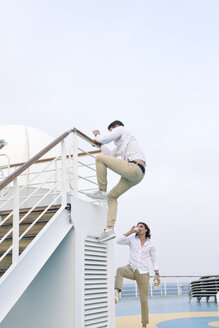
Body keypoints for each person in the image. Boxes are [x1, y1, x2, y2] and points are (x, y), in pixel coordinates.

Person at [85, 120, 145, 242]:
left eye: (111, 131)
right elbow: (110, 156)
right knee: (112, 197)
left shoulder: (121, 129)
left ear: (114, 127)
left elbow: (104, 138)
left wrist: (97, 135)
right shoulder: (121, 145)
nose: (112, 134)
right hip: (136, 175)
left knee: (99, 158)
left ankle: (102, 191)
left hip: (134, 167)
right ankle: (109, 230)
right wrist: (100, 145)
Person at [115, 222, 160, 328]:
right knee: (120, 270)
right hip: (131, 269)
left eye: (141, 226)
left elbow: (154, 259)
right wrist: (130, 231)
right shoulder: (131, 239)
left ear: (146, 230)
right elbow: (118, 241)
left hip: (143, 273)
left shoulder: (150, 245)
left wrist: (156, 273)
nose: (139, 228)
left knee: (143, 301)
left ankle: (144, 324)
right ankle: (117, 291)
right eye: (138, 226)